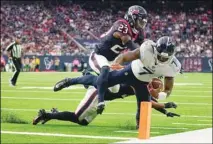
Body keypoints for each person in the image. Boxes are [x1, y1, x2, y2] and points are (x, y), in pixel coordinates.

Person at [53, 36, 182, 127]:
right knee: (102, 81)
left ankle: (140, 129)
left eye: (164, 58)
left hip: (143, 82)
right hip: (131, 72)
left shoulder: (173, 66)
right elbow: (125, 56)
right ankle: (70, 81)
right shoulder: (147, 49)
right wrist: (116, 64)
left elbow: (167, 90)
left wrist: (160, 96)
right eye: (159, 55)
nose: (160, 59)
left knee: (144, 107)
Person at [80, 5, 148, 114]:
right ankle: (89, 80)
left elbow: (143, 45)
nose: (141, 24)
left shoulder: (139, 32)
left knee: (115, 89)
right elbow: (129, 43)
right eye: (140, 20)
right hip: (99, 55)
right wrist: (145, 54)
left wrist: (151, 52)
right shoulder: (122, 24)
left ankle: (92, 81)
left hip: (111, 59)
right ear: (132, 17)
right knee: (105, 71)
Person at [33, 85, 180, 127]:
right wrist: (165, 104)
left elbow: (147, 102)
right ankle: (46, 114)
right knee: (77, 117)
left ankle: (55, 113)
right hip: (98, 93)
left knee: (83, 122)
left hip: (103, 99)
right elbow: (148, 102)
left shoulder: (142, 85)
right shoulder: (137, 83)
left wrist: (165, 112)